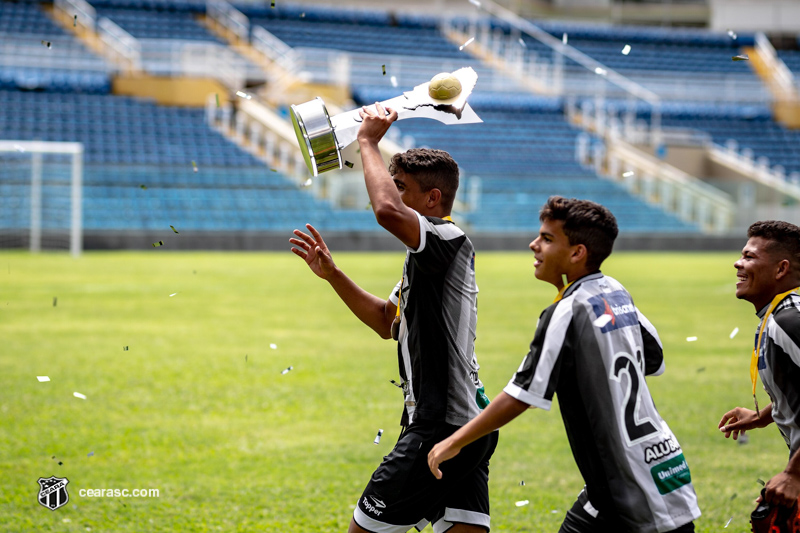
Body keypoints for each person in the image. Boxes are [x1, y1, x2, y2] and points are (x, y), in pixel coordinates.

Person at [427, 196, 701, 533]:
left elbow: (521, 394)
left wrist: (454, 441)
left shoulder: (568, 311)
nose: (534, 245)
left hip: (628, 489)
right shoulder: (615, 291)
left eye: (547, 238)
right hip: (661, 464)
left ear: (577, 253)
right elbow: (653, 356)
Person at [290, 102, 497, 533]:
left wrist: (367, 141)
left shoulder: (444, 237)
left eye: (401, 186)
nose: (391, 192)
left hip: (440, 425)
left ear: (432, 198)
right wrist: (333, 275)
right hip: (469, 423)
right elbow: (387, 320)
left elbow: (386, 212)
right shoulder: (427, 257)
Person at [718, 220, 800, 510]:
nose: (737, 264)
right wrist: (765, 415)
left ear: (781, 269)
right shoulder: (777, 314)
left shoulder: (788, 321)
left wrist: (794, 474)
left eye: (749, 257)